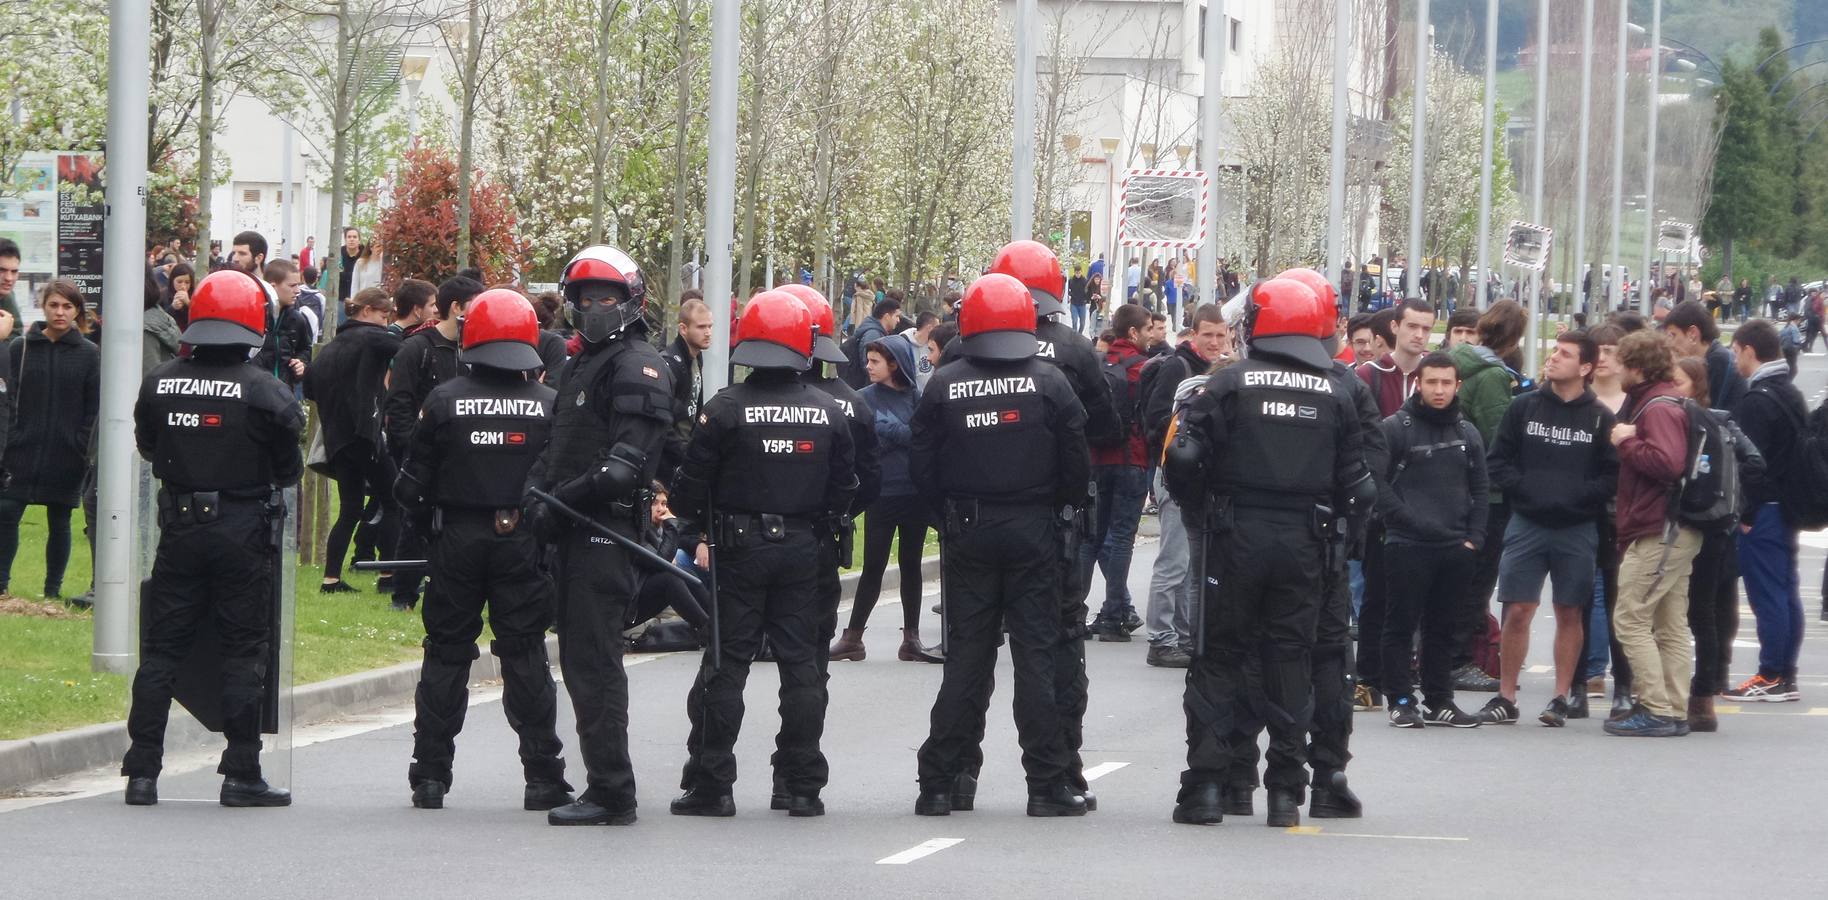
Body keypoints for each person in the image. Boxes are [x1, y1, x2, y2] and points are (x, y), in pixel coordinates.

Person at [1164, 276, 1372, 828]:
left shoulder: (1229, 383)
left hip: (1235, 537)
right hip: (1307, 542)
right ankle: (1286, 792)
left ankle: (1209, 786)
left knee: (1219, 658)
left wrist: (1201, 508)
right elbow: (1362, 484)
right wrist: (1339, 536)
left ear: (1257, 325)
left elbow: (1182, 458)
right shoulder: (1336, 390)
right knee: (1290, 661)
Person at [668, 290, 856, 819]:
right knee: (803, 669)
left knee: (726, 666)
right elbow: (847, 488)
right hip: (803, 549)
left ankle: (712, 783)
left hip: (737, 548)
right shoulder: (828, 411)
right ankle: (799, 786)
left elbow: (686, 492)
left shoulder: (723, 408)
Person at [120, 269, 304, 808]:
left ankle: (142, 772)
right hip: (242, 531)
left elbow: (149, 446)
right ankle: (242, 773)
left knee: (162, 649)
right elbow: (288, 471)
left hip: (178, 529)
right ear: (254, 324)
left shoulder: (160, 382)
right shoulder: (267, 392)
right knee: (243, 648)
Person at [911, 273, 1089, 818]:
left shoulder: (945, 382)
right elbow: (1076, 468)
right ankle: (1047, 783)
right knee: (1036, 656)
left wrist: (948, 513)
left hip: (969, 527)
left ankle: (942, 782)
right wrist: (1054, 508)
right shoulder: (1050, 381)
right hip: (1034, 528)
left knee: (967, 657)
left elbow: (922, 464)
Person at [391, 289, 572, 812]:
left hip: (457, 539)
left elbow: (411, 487)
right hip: (521, 542)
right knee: (525, 655)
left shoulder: (444, 400)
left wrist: (428, 529)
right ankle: (543, 776)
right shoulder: (550, 405)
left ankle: (430, 775)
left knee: (446, 654)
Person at [527, 246, 675, 826]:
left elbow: (623, 467)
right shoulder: (580, 363)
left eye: (605, 298)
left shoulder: (639, 365)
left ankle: (612, 790)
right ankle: (602, 782)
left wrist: (558, 501)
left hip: (604, 528)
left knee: (595, 664)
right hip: (565, 526)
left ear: (631, 300)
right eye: (584, 298)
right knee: (580, 662)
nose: (593, 308)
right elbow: (556, 448)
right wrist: (536, 498)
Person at [1478, 331, 1618, 726]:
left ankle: (1560, 696)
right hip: (1527, 523)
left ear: (1586, 367)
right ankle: (1506, 696)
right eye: (1554, 351)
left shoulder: (1600, 417)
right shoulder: (1523, 408)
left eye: (1565, 354)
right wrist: (1528, 491)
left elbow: (1612, 476)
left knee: (1569, 610)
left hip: (1577, 527)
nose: (1553, 358)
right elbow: (1498, 461)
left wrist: (1576, 497)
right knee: (1518, 608)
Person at [1373, 350, 1489, 729]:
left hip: (1455, 548)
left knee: (1443, 629)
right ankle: (1400, 699)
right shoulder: (1395, 428)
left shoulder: (1467, 433)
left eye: (1446, 383)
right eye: (1431, 382)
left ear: (1458, 386)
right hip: (1407, 545)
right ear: (1418, 384)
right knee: (1400, 626)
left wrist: (1474, 538)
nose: (1439, 390)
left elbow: (1482, 489)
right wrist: (1408, 521)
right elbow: (1376, 484)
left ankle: (1440, 700)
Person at [1603, 330, 1703, 737]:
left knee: (1629, 616)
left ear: (1637, 369)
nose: (1620, 371)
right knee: (1670, 621)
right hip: (1677, 527)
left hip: (1659, 529)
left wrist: (1626, 442)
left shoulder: (1657, 408)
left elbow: (1667, 464)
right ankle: (1675, 708)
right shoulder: (1670, 400)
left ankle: (1656, 708)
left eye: (1625, 364)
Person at [830, 330, 939, 662]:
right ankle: (853, 637)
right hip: (881, 492)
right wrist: (896, 434)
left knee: (911, 565)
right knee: (874, 566)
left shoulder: (917, 398)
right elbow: (862, 443)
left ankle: (912, 638)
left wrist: (890, 431)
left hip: (914, 493)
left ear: (895, 364)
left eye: (875, 361)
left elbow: (923, 439)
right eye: (868, 359)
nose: (868, 366)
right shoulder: (863, 398)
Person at [1670, 355, 1763, 732]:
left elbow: (1756, 464)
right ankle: (1702, 697)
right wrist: (1735, 507)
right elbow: (1754, 463)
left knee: (1693, 612)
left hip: (1686, 525)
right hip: (1716, 524)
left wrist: (1735, 506)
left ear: (1697, 385)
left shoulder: (1690, 420)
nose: (1673, 389)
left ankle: (1695, 693)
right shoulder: (1724, 421)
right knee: (1701, 613)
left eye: (1679, 381)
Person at [383, 277, 483, 609]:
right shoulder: (417, 348)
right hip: (423, 452)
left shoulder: (475, 351)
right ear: (457, 307)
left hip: (465, 454)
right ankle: (404, 593)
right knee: (414, 519)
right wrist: (412, 446)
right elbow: (398, 403)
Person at [1139, 304, 1229, 667]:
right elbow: (1156, 420)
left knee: (1193, 562)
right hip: (1176, 473)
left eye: (1221, 334)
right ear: (1193, 334)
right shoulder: (1178, 366)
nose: (1214, 341)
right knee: (1174, 560)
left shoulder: (1223, 369)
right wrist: (1187, 444)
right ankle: (1160, 639)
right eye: (1207, 334)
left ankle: (1185, 636)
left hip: (1202, 478)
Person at [0, 280, 98, 600]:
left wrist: (80, 442)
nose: (60, 312)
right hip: (22, 448)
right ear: (43, 306)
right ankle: (2, 585)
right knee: (8, 511)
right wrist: (12, 436)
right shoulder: (22, 347)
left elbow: (92, 406)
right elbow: (10, 397)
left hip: (67, 451)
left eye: (67, 306)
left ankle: (52, 591)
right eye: (54, 305)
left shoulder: (89, 353)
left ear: (77, 311)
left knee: (60, 519)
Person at [1727, 319, 1807, 703]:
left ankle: (1771, 673)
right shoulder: (1788, 391)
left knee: (1766, 593)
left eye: (1735, 351)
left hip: (1763, 509)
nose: (1733, 359)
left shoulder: (1756, 400)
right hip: (1789, 503)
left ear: (1748, 350)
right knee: (1786, 589)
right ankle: (1784, 672)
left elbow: (1751, 463)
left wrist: (1746, 513)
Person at [302, 288, 402, 594]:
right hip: (363, 435)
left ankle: (330, 579)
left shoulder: (331, 348)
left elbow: (309, 388)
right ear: (368, 310)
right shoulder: (372, 338)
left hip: (337, 439)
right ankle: (388, 575)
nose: (386, 323)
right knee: (394, 501)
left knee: (350, 509)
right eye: (384, 316)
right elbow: (405, 349)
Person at [1084, 304, 1153, 642]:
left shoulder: (1097, 365)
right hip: (1132, 459)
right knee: (1122, 537)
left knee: (1092, 537)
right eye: (1147, 329)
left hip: (1098, 459)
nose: (1152, 335)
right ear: (1133, 333)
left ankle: (1074, 608)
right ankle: (1115, 613)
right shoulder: (1143, 368)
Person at [660, 294, 712, 484]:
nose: (708, 332)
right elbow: (663, 422)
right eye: (701, 327)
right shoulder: (670, 364)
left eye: (709, 326)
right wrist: (683, 453)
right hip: (668, 461)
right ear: (683, 329)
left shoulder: (697, 357)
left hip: (685, 451)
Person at [1662, 300, 1747, 412]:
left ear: (1693, 334)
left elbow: (1707, 415)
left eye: (1673, 335)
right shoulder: (1711, 357)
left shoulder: (1719, 361)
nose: (1669, 343)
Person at [1356, 298, 1434, 418]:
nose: (1419, 335)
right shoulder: (1367, 374)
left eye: (1426, 329)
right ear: (1394, 326)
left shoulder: (1437, 375)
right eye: (1412, 326)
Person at [258, 259, 312, 389]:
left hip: (285, 394)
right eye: (292, 285)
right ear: (272, 286)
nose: (298, 291)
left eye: (298, 285)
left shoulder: (298, 319)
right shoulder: (255, 317)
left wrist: (301, 363)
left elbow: (305, 348)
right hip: (256, 394)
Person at [842, 295, 903, 389]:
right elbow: (868, 367)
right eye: (897, 316)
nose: (898, 320)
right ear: (886, 316)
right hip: (863, 389)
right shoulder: (873, 335)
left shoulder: (875, 331)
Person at [0, 237, 26, 319]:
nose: (9, 278)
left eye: (14, 271)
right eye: (1, 270)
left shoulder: (7, 296)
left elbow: (17, 330)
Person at [337, 227, 362, 304]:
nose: (352, 239)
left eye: (355, 237)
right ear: (345, 239)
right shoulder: (338, 254)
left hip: (360, 300)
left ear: (359, 240)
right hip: (341, 299)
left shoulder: (365, 255)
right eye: (349, 237)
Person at [1068, 265, 1090, 335]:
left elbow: (1088, 291)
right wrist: (1071, 294)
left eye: (1079, 272)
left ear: (1081, 272)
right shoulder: (1071, 280)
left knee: (1082, 323)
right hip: (1074, 303)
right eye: (1077, 273)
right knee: (1074, 321)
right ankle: (1074, 336)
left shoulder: (1085, 280)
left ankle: (1079, 334)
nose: (1078, 274)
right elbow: (1066, 290)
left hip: (1082, 304)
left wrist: (1086, 299)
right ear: (1074, 272)